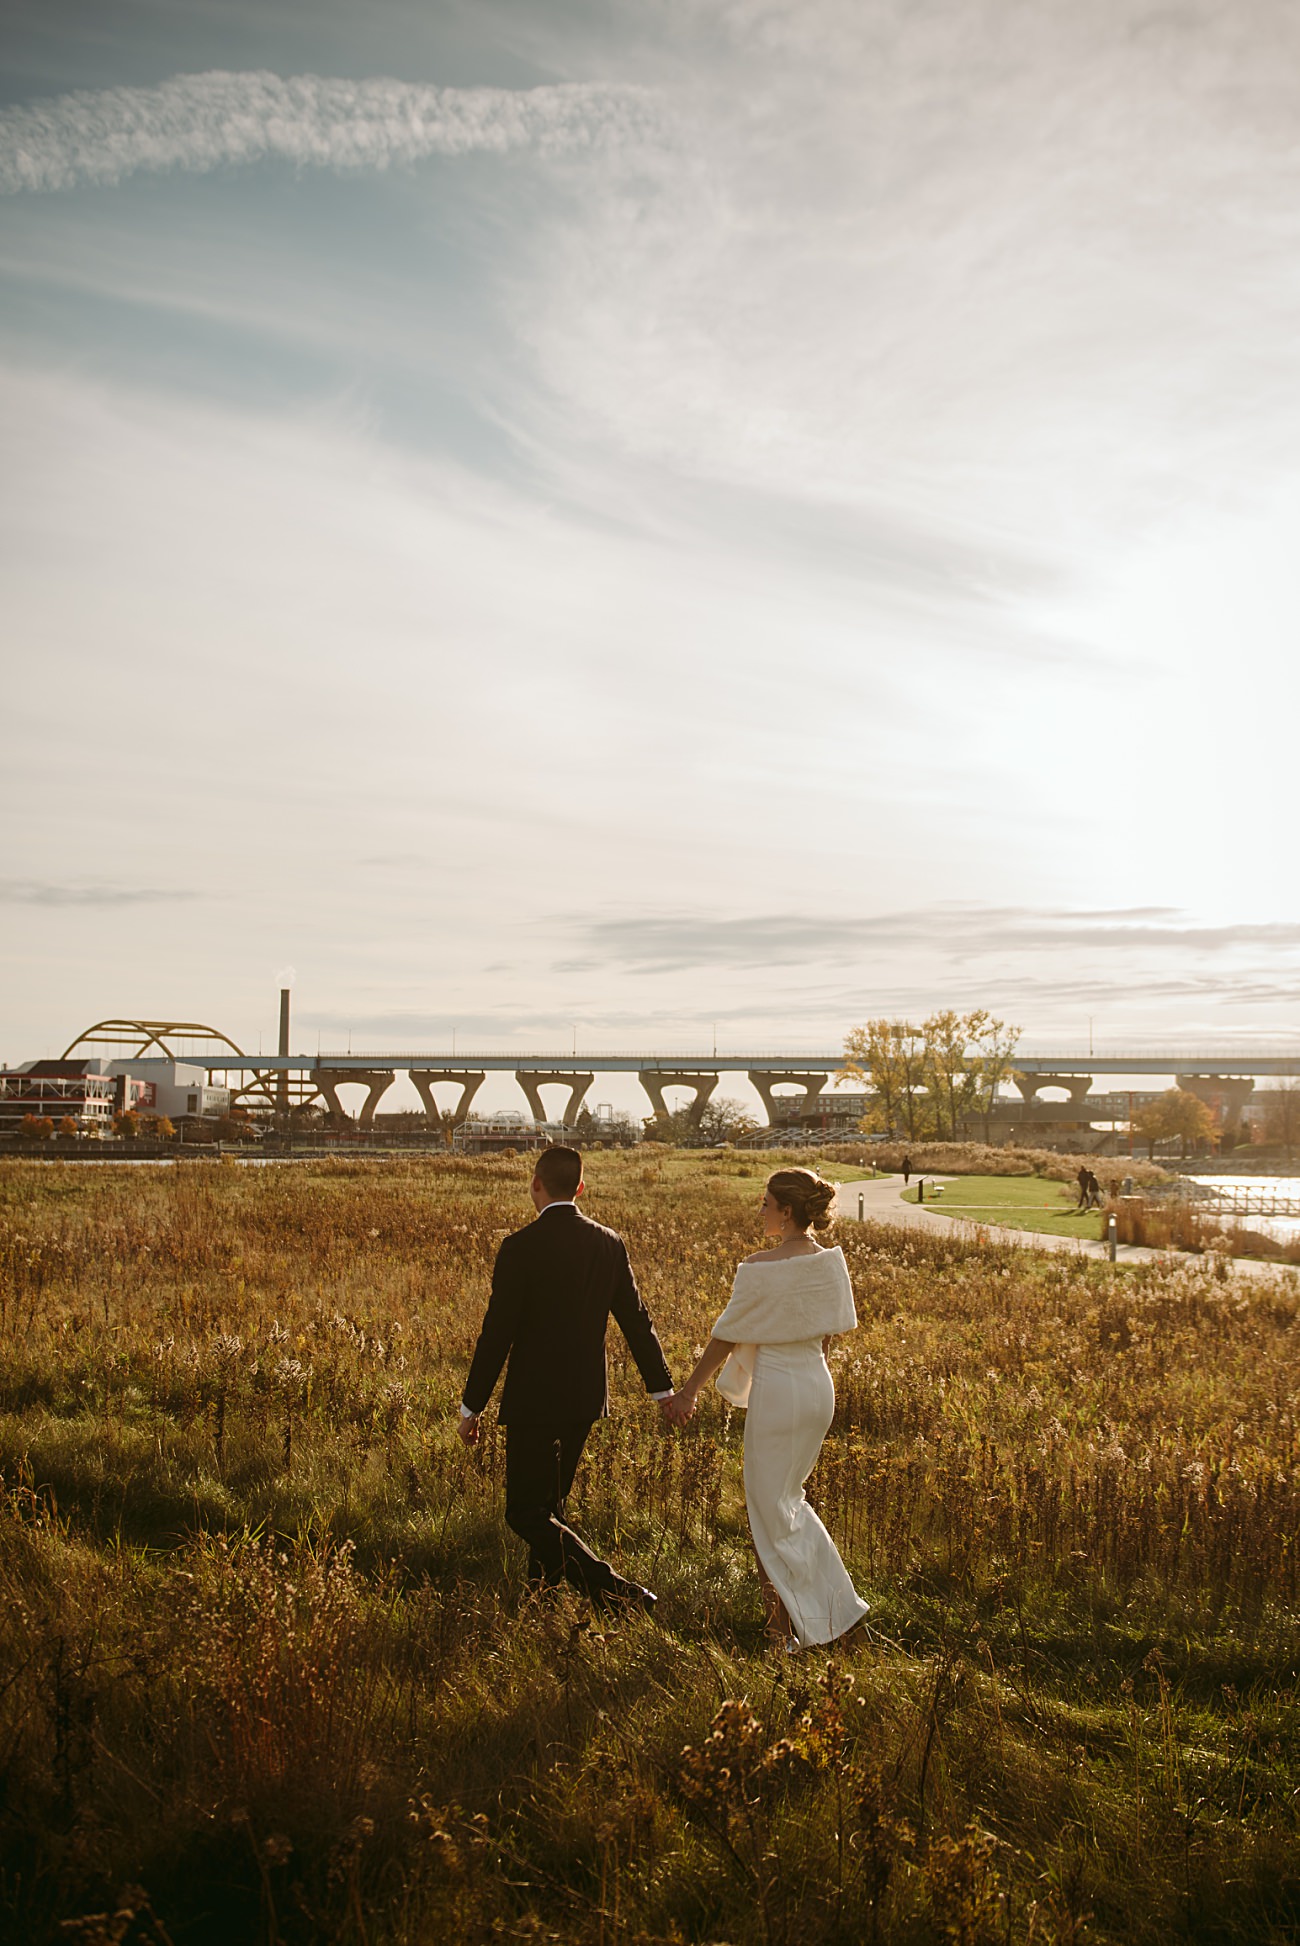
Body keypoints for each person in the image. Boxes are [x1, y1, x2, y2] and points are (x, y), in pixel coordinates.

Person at [459, 1144, 676, 1612]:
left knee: (524, 1511)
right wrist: (662, 1389)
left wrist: (471, 1406)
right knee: (550, 1508)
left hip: (533, 1400)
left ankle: (617, 1592)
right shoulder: (608, 1243)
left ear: (535, 1184)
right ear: (580, 1188)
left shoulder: (519, 1247)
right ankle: (541, 1602)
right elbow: (636, 1320)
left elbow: (497, 1333)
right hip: (584, 1398)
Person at [668, 1168, 869, 1650]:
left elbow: (727, 1335)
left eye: (766, 1204)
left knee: (768, 1510)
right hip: (817, 1387)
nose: (760, 1212)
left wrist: (690, 1390)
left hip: (779, 1391)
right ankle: (796, 1625)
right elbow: (829, 1334)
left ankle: (818, 1624)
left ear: (787, 1211)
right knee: (784, 1504)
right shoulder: (829, 1263)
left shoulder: (759, 1266)